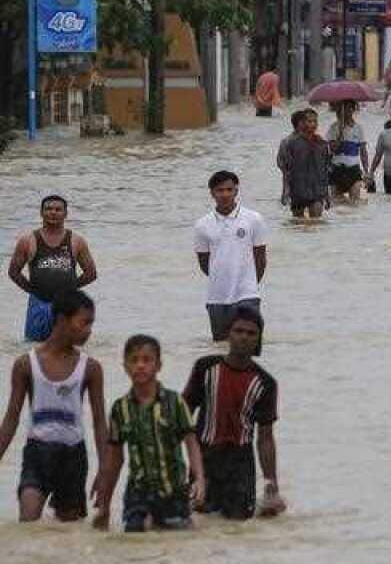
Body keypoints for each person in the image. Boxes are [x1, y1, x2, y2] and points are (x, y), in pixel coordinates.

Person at [0, 291, 107, 523]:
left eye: (92, 323)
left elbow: (100, 422)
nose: (89, 330)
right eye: (84, 322)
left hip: (73, 457)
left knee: (68, 532)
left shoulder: (90, 368)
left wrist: (104, 470)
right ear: (61, 320)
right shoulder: (25, 364)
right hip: (37, 454)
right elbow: (11, 418)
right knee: (28, 519)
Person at [93, 335, 205, 532]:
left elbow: (191, 444)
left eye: (147, 360)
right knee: (136, 536)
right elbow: (115, 459)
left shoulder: (175, 402)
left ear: (158, 365)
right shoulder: (120, 408)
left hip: (174, 491)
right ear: (125, 366)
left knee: (180, 541)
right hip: (138, 493)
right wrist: (105, 505)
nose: (140, 366)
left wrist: (199, 479)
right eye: (134, 360)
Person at [183, 307, 286, 520]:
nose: (243, 337)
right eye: (239, 331)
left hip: (240, 467)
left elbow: (265, 438)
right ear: (228, 333)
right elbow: (183, 414)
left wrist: (271, 484)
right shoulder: (205, 368)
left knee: (239, 527)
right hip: (204, 461)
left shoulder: (265, 383)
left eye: (251, 333)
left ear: (258, 340)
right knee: (198, 522)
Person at [9, 195, 97, 342]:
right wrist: (32, 290)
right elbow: (13, 272)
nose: (53, 212)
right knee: (33, 345)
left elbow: (91, 273)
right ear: (41, 213)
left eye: (58, 209)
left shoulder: (77, 241)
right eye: (48, 209)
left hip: (67, 305)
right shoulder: (27, 241)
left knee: (69, 346)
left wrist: (71, 288)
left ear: (65, 214)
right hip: (38, 302)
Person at [195, 171, 268, 347]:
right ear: (212, 193)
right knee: (220, 346)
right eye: (220, 190)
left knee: (250, 345)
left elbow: (260, 259)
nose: (225, 194)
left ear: (236, 191)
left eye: (229, 189)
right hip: (216, 298)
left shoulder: (253, 219)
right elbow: (205, 264)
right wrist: (222, 278)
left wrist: (249, 283)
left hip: (247, 295)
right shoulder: (202, 225)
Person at [278, 108, 330, 219]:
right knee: (298, 225)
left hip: (317, 192)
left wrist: (327, 195)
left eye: (315, 121)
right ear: (302, 123)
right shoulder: (291, 144)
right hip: (298, 191)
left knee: (316, 223)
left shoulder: (322, 144)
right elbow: (286, 171)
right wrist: (285, 191)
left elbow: (325, 170)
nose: (312, 124)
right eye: (309, 121)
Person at [327, 100, 369, 203]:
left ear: (353, 110)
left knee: (354, 202)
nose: (347, 111)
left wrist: (366, 171)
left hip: (353, 170)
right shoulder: (334, 127)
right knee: (336, 202)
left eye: (350, 108)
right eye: (344, 108)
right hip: (337, 169)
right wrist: (339, 136)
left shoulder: (359, 128)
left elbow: (363, 152)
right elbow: (332, 149)